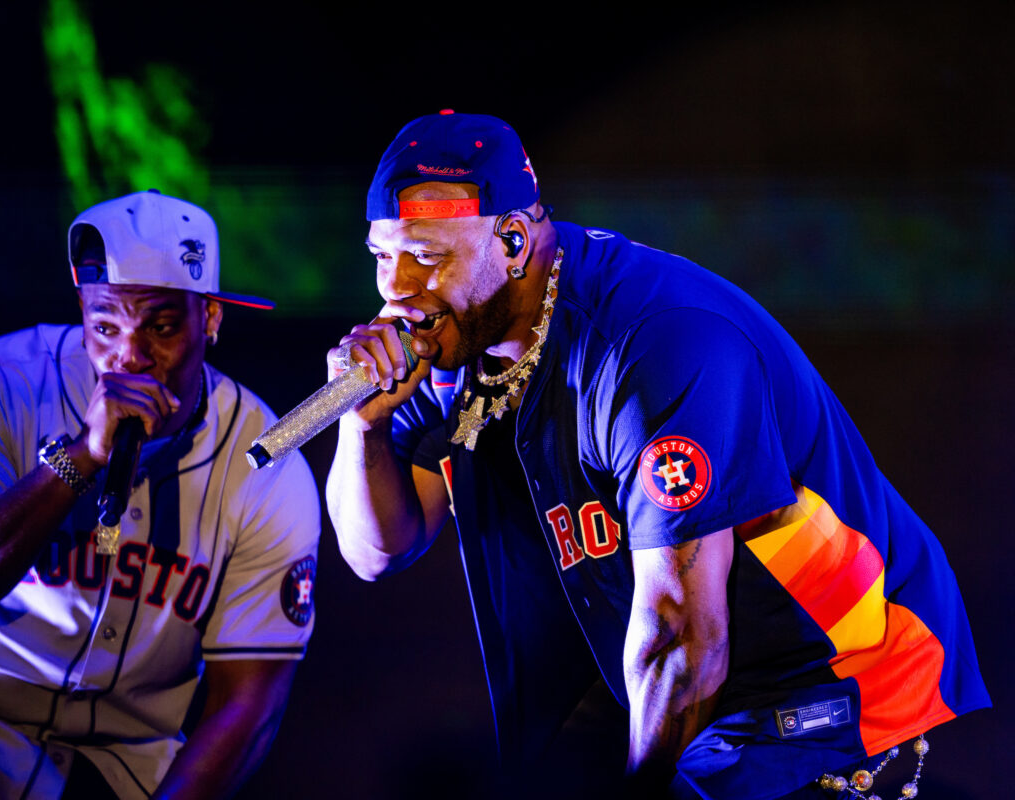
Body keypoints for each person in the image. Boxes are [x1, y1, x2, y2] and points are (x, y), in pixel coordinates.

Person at [325, 111, 989, 799]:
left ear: (514, 240)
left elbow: (682, 636)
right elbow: (376, 552)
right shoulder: (457, 341)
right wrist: (362, 426)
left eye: (426, 256)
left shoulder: (652, 344)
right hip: (682, 683)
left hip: (830, 677)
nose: (396, 287)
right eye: (382, 256)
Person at [0, 190, 320, 800]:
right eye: (104, 326)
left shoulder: (266, 460)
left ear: (210, 318)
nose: (130, 357)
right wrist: (79, 459)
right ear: (81, 310)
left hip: (113, 764)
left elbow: (247, 703)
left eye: (161, 327)